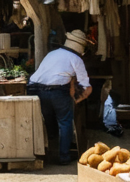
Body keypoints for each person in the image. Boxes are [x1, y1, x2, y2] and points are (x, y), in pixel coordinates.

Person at [27, 30, 93, 164]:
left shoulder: (53, 53)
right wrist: (77, 100)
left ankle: (47, 153)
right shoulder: (77, 59)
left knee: (46, 121)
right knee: (65, 122)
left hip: (34, 88)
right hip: (57, 91)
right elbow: (86, 86)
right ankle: (64, 156)